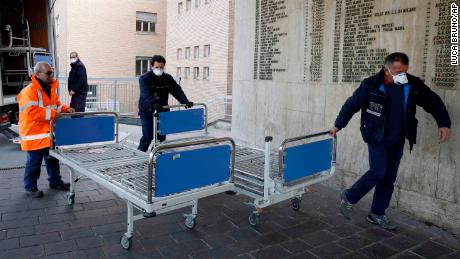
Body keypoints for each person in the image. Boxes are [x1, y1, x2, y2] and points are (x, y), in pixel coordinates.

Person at [330, 52, 451, 230]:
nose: (401, 74)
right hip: (376, 137)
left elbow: (432, 101)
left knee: (389, 177)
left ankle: (377, 214)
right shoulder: (371, 84)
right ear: (386, 69)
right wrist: (338, 125)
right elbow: (352, 104)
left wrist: (444, 123)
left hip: (398, 139)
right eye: (396, 71)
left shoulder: (412, 84)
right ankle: (349, 196)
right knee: (378, 172)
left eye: (404, 70)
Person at [17, 62, 75, 198]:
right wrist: (55, 114)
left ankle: (55, 182)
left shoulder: (49, 89)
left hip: (48, 134)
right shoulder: (28, 92)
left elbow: (56, 106)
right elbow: (32, 112)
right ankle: (30, 188)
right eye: (48, 73)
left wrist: (66, 109)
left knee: (52, 160)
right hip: (34, 135)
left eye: (52, 73)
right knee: (33, 164)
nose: (51, 76)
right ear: (37, 74)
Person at [137, 55, 194, 152]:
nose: (159, 69)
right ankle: (140, 154)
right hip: (147, 111)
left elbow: (176, 90)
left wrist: (185, 101)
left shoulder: (167, 78)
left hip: (162, 110)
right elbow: (145, 93)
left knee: (161, 137)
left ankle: (156, 156)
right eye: (157, 67)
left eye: (161, 67)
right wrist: (153, 103)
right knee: (148, 136)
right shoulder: (144, 78)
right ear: (152, 66)